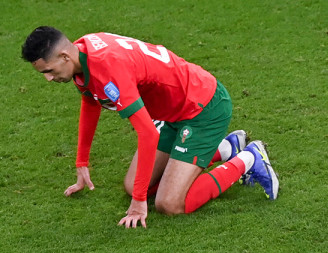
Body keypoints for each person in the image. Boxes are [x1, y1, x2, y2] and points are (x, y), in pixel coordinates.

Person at [22, 27, 279, 228]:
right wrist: (82, 162)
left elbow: (147, 134)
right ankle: (226, 148)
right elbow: (90, 100)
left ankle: (249, 158)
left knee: (169, 203)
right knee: (134, 186)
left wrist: (138, 205)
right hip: (174, 113)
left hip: (203, 108)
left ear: (65, 56)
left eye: (49, 70)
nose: (48, 78)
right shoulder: (82, 52)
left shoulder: (107, 69)